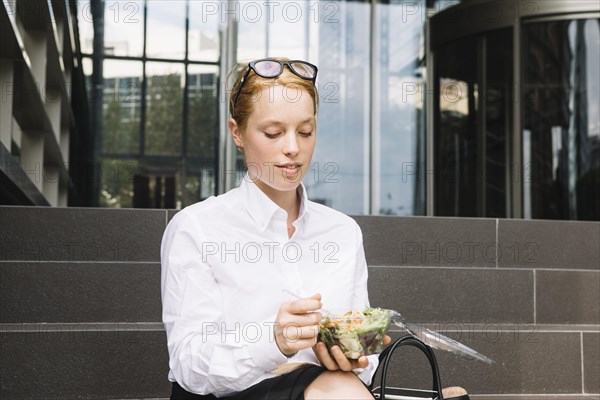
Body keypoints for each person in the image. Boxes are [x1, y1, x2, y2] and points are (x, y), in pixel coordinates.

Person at [161, 57, 469, 400]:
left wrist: (355, 357)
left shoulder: (342, 232)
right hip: (231, 395)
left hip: (333, 390)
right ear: (237, 132)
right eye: (274, 133)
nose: (293, 147)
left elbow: (364, 366)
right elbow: (188, 366)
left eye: (305, 131)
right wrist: (273, 342)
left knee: (340, 385)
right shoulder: (197, 228)